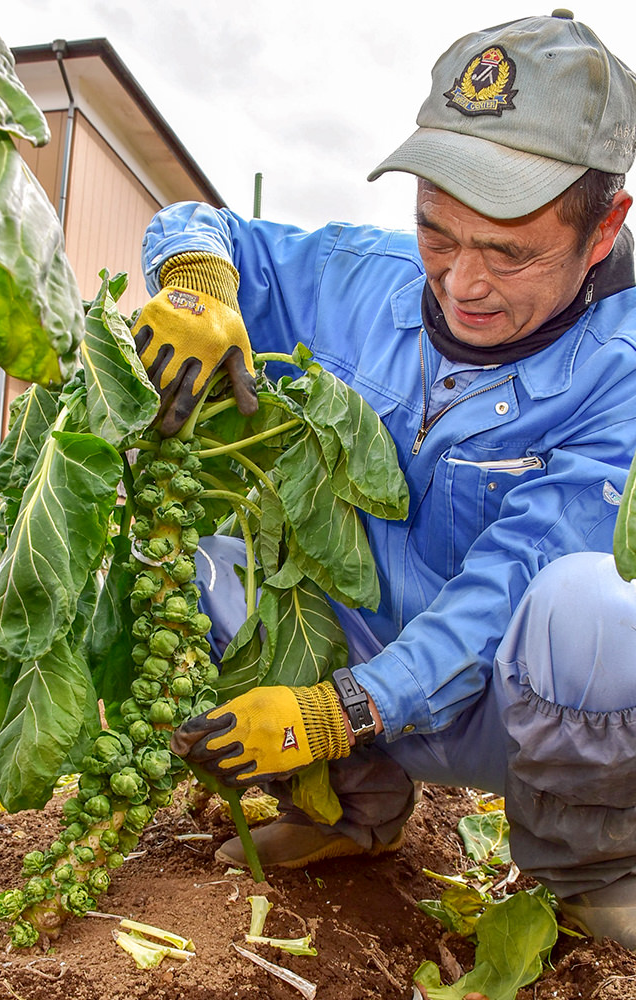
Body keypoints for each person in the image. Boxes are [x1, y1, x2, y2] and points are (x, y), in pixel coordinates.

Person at [132, 12, 636, 949]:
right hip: (362, 654)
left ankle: (588, 863)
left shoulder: (625, 370)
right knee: (197, 562)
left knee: (596, 608)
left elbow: (509, 586)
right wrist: (198, 281)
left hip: (516, 709)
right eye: (437, 234)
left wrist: (340, 710)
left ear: (604, 227)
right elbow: (204, 225)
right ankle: (350, 815)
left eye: (510, 252)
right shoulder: (364, 277)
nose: (462, 282)